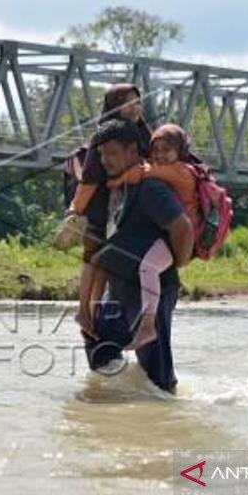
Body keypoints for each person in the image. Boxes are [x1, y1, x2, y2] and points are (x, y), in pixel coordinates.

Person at [80, 119, 194, 394]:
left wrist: (176, 262)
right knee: (96, 340)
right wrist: (87, 307)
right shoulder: (115, 189)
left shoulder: (150, 188)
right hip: (118, 290)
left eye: (113, 153)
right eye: (102, 155)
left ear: (132, 151)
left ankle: (166, 409)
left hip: (152, 289)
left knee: (157, 372)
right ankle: (116, 403)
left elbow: (183, 228)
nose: (105, 160)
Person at [53, 83, 153, 327]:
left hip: (130, 209)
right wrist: (74, 212)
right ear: (113, 106)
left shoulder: (143, 134)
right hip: (101, 210)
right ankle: (86, 313)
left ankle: (97, 314)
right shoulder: (104, 135)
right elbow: (89, 178)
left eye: (138, 102)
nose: (135, 107)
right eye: (128, 102)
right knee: (94, 261)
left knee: (107, 268)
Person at [104, 123, 202, 349]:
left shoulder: (182, 171)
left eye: (166, 149)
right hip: (168, 234)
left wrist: (115, 181)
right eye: (155, 149)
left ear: (180, 151)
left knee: (148, 268)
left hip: (181, 236)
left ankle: (148, 326)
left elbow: (142, 172)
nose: (159, 155)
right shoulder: (174, 170)